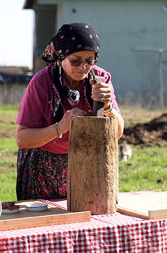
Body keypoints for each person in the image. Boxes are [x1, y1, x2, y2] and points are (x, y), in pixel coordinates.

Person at [15, 22, 124, 200]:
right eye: (75, 61)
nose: (83, 67)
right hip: (43, 165)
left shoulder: (101, 79)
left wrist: (108, 107)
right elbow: (22, 138)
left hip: (87, 161)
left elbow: (117, 133)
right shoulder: (42, 82)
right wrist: (60, 127)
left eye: (90, 61)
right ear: (60, 56)